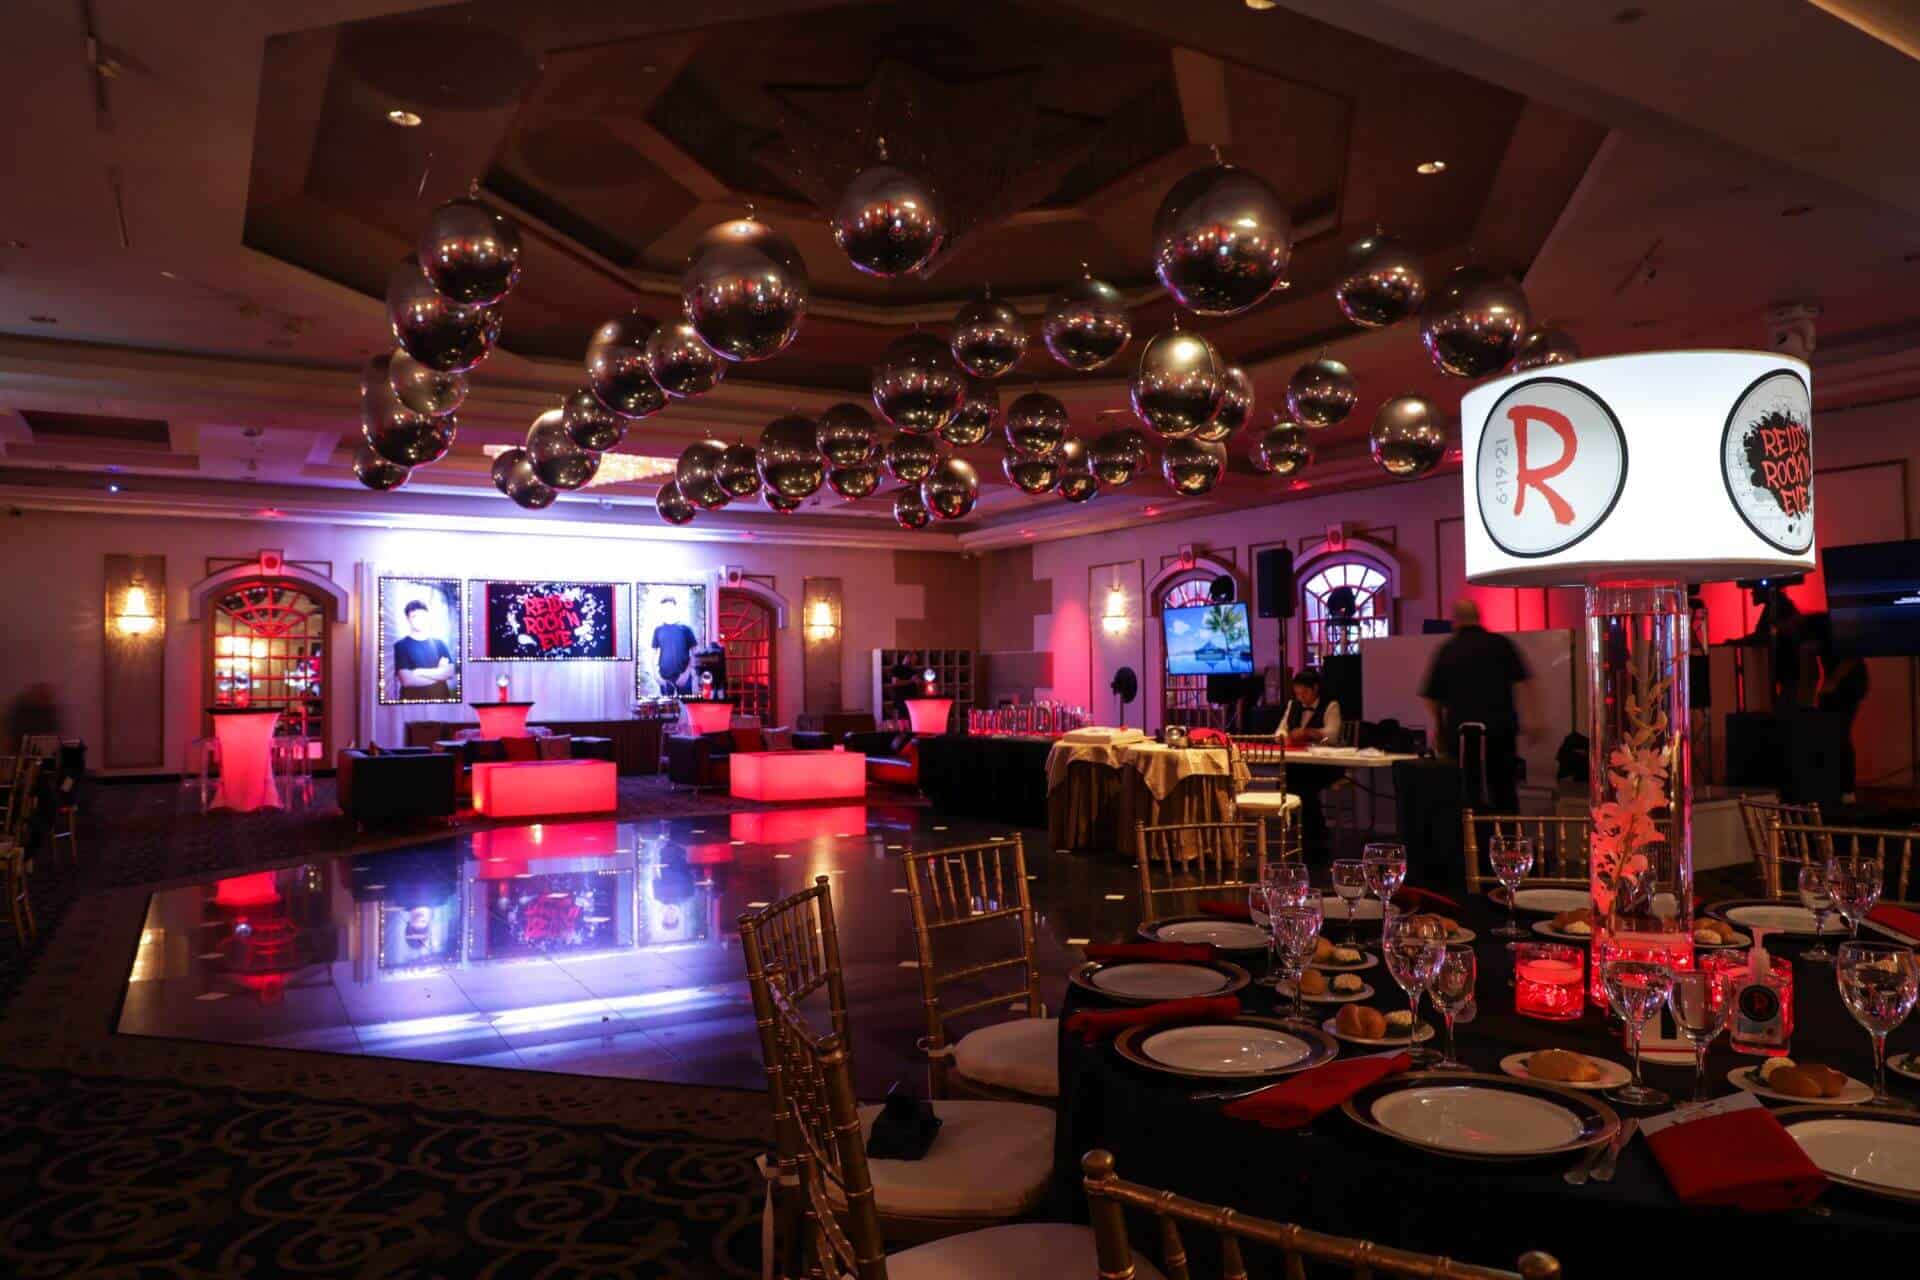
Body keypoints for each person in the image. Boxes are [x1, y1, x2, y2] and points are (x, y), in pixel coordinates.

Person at [1420, 599, 1533, 812]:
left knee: (1466, 791)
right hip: (1500, 732)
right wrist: (1532, 720)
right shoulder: (1501, 644)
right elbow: (1526, 684)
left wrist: (1440, 730)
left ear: (1456, 621)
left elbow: (1431, 699)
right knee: (1504, 789)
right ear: (1479, 617)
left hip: (1462, 735)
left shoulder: (1447, 650)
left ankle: (1471, 832)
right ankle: (1508, 830)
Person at [1278, 670, 1344, 859]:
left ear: (1315, 688)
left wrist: (1310, 733)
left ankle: (1310, 837)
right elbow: (1280, 731)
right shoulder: (1293, 705)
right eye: (1297, 694)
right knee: (1293, 780)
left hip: (1324, 766)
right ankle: (1312, 836)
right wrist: (1286, 737)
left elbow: (1333, 735)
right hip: (1300, 764)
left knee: (1301, 784)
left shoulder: (1331, 705)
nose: (1301, 698)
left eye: (1304, 693)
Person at [392, 600, 456, 702]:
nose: (419, 620)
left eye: (422, 616)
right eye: (414, 616)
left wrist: (419, 672)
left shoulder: (439, 644)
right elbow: (407, 680)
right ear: (408, 619)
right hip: (412, 702)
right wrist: (439, 674)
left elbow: (450, 673)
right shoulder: (400, 646)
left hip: (441, 700)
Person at [650, 594, 700, 695]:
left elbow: (695, 653)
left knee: (685, 705)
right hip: (664, 678)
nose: (667, 611)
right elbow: (652, 655)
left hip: (684, 678)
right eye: (664, 608)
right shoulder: (658, 630)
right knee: (667, 705)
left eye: (670, 608)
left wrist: (686, 674)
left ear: (675, 608)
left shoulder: (685, 629)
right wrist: (656, 675)